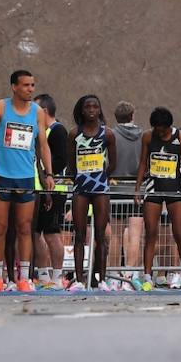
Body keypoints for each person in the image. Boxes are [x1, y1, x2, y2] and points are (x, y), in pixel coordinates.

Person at [0, 69, 56, 293]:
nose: (30, 89)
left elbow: (43, 144)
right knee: (0, 227)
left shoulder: (38, 112)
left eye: (32, 85)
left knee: (24, 228)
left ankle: (24, 277)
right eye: (25, 85)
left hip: (25, 177)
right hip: (2, 175)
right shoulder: (0, 108)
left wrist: (48, 173)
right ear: (14, 86)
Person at [136, 107, 181, 291]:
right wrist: (137, 188)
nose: (159, 132)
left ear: (169, 126)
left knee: (179, 234)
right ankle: (147, 277)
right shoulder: (147, 136)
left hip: (174, 188)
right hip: (154, 188)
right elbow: (143, 163)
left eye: (162, 129)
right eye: (156, 129)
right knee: (151, 233)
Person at [68, 94, 118, 291]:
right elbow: (70, 163)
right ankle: (80, 280)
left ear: (99, 110)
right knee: (79, 235)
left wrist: (101, 176)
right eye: (87, 107)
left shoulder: (108, 134)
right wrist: (80, 177)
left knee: (101, 235)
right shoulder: (74, 133)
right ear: (81, 110)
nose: (91, 110)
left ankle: (102, 279)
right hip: (81, 187)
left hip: (100, 188)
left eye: (95, 107)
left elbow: (113, 163)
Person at [31, 94, 69, 290]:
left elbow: (62, 160)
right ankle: (43, 274)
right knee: (35, 233)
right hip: (39, 188)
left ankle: (57, 275)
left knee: (52, 233)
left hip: (55, 190)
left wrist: (48, 174)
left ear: (44, 111)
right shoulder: (41, 132)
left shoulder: (58, 130)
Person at [111, 100, 143, 281]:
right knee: (135, 234)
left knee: (116, 234)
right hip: (137, 188)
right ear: (132, 116)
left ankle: (114, 274)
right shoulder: (143, 135)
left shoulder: (111, 135)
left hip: (116, 187)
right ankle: (131, 272)